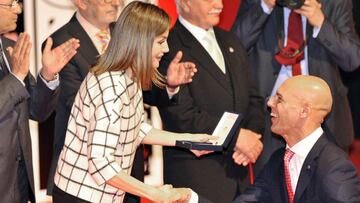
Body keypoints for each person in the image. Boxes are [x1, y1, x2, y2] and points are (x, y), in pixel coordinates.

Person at [52, 2, 213, 203]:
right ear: (141, 41)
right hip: (83, 196)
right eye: (161, 41)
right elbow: (100, 163)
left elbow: (134, 128)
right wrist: (154, 193)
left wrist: (187, 140)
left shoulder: (128, 74)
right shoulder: (111, 85)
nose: (167, 48)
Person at [151, 0, 264, 202]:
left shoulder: (230, 40)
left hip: (240, 172)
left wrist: (252, 138)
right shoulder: (168, 46)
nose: (219, 5)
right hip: (197, 176)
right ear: (184, 3)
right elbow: (181, 114)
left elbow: (253, 97)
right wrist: (236, 137)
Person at [232, 0, 360, 173]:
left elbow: (352, 59)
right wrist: (264, 7)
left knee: (327, 188)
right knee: (271, 190)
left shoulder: (335, 2)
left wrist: (321, 22)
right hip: (270, 114)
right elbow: (233, 48)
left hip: (323, 116)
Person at [233, 75, 360, 203]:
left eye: (279, 99)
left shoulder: (334, 166)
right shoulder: (278, 160)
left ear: (304, 111)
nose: (270, 103)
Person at [0, 0, 79, 202]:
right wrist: (16, 77)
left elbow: (37, 111)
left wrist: (48, 75)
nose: (19, 9)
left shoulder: (10, 48)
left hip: (19, 183)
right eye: (10, 4)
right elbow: (13, 86)